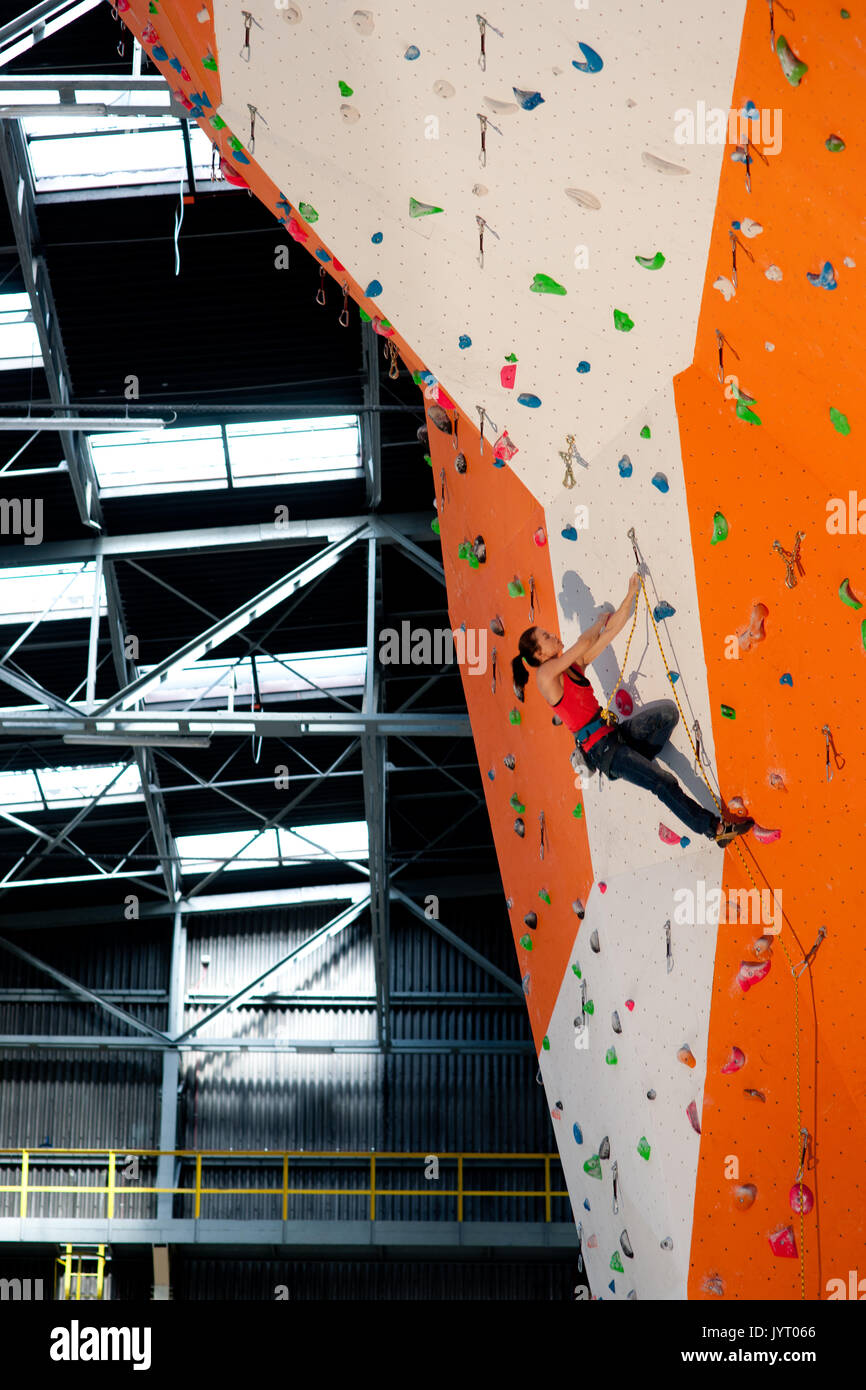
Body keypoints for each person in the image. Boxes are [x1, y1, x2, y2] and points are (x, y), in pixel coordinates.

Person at [510, 573, 754, 847]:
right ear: (539, 654)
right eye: (546, 637)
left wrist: (630, 594)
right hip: (605, 753)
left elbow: (610, 633)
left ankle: (639, 762)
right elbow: (584, 642)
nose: (553, 635)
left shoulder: (574, 666)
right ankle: (716, 829)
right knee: (662, 782)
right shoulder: (544, 677)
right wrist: (597, 623)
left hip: (616, 737)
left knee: (667, 715)